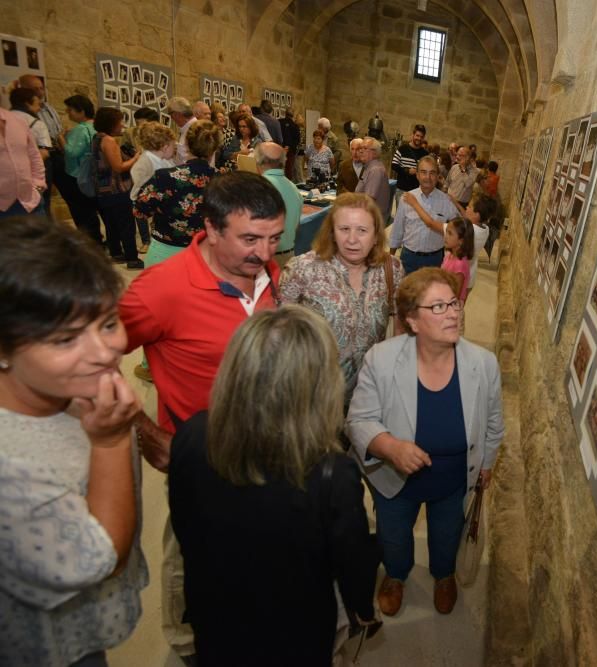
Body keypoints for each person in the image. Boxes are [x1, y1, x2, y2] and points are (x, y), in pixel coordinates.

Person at [120, 172, 285, 662]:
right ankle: (186, 644)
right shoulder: (161, 289)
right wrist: (146, 429)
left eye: (274, 238)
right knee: (188, 557)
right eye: (250, 238)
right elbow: (85, 363)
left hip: (262, 451)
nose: (265, 253)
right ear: (211, 228)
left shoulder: (267, 274)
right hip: (198, 458)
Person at [168, 306, 380, 666]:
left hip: (216, 613)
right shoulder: (332, 472)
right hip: (295, 629)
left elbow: (185, 528)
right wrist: (362, 608)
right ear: (320, 384)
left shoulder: (192, 434)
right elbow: (352, 562)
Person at [0, 216, 147, 667]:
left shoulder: (64, 387)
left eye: (107, 324)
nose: (105, 353)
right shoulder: (11, 469)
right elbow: (100, 559)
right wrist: (110, 443)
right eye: (65, 340)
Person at [347, 268, 504, 617]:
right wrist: (390, 447)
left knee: (448, 531)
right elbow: (358, 420)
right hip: (395, 478)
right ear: (412, 321)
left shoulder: (483, 363)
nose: (452, 312)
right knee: (394, 534)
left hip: (452, 479)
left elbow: (494, 423)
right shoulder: (382, 359)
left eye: (452, 303)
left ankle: (443, 574)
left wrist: (487, 464)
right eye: (437, 307)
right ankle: (396, 575)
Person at [280, 192, 403, 410]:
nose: (352, 239)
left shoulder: (391, 269)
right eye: (344, 229)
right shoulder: (302, 269)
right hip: (313, 400)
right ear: (332, 232)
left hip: (369, 397)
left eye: (362, 231)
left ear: (376, 235)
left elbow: (399, 332)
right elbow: (279, 336)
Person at [134, 119, 222, 266]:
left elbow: (140, 211)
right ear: (215, 149)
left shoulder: (164, 176)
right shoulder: (224, 181)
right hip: (206, 255)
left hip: (165, 254)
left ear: (186, 144)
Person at [93, 106, 143, 269]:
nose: (122, 125)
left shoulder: (96, 138)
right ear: (111, 123)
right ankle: (132, 258)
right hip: (117, 190)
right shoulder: (109, 141)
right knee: (126, 225)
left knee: (111, 224)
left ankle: (116, 253)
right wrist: (136, 158)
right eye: (120, 122)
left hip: (103, 190)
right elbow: (118, 167)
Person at [392, 155, 460, 274]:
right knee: (406, 291)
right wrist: (391, 257)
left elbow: (459, 228)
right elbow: (397, 230)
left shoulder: (445, 201)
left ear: (438, 176)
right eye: (423, 172)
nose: (427, 177)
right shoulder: (407, 198)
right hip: (409, 257)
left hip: (434, 259)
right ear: (417, 175)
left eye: (432, 173)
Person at [16, 75, 63, 215]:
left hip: (55, 154)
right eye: (35, 88)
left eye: (41, 88)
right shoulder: (30, 120)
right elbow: (43, 153)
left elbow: (58, 131)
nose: (40, 91)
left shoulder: (49, 108)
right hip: (38, 160)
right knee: (41, 200)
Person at [129, 121, 178, 253]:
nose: (175, 149)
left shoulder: (164, 159)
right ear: (164, 146)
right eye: (174, 146)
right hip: (151, 203)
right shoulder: (146, 160)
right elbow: (138, 183)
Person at [62, 94, 104, 243]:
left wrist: (61, 140)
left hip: (77, 175)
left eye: (70, 110)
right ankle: (97, 239)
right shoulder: (95, 126)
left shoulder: (80, 129)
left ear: (81, 111)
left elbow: (72, 152)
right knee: (92, 210)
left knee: (82, 212)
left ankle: (91, 241)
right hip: (93, 174)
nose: (68, 113)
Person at [255, 141, 301, 267]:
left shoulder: (257, 187)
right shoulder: (294, 188)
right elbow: (296, 227)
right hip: (289, 257)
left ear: (259, 162)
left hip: (266, 258)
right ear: (283, 162)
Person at [0, 104, 46, 219]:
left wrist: (38, 184)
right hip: (2, 207)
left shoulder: (17, 120)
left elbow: (34, 155)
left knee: (42, 236)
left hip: (30, 200)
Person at [9, 86, 52, 162]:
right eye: (37, 104)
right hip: (26, 168)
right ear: (27, 104)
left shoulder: (3, 118)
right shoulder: (38, 124)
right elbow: (44, 153)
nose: (39, 108)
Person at [391, 124, 428, 208]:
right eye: (417, 135)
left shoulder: (425, 154)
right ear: (413, 135)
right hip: (401, 189)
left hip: (416, 192)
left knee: (412, 216)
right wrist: (407, 171)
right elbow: (394, 165)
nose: (419, 138)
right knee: (400, 215)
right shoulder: (402, 149)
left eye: (421, 136)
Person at [356, 137, 391, 222]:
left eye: (365, 148)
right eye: (361, 148)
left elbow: (369, 200)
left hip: (371, 219)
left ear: (375, 153)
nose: (361, 151)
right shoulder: (370, 167)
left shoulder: (375, 170)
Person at [441, 216, 474, 302]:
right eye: (446, 232)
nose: (445, 236)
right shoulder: (449, 255)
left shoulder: (460, 265)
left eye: (450, 233)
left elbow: (454, 296)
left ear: (461, 241)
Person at [165, 97, 196, 164]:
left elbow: (189, 160)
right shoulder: (187, 128)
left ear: (176, 114)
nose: (171, 117)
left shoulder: (195, 129)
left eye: (170, 114)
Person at [279, 107, 300, 181]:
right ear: (293, 115)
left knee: (279, 168)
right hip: (290, 152)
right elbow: (297, 140)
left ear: (285, 113)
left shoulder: (279, 122)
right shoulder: (295, 126)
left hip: (279, 149)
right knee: (289, 170)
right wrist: (289, 148)